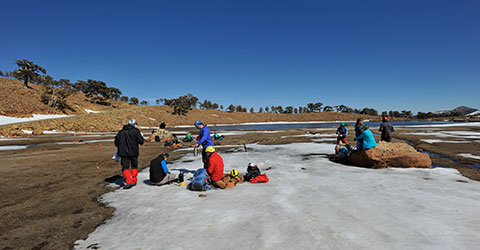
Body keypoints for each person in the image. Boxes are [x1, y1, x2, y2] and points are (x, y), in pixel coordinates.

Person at [114, 119, 145, 189]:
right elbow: (141, 141)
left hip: (123, 153)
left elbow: (116, 142)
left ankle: (129, 181)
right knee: (134, 166)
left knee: (125, 167)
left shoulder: (121, 132)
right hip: (134, 152)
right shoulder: (136, 131)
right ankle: (134, 180)